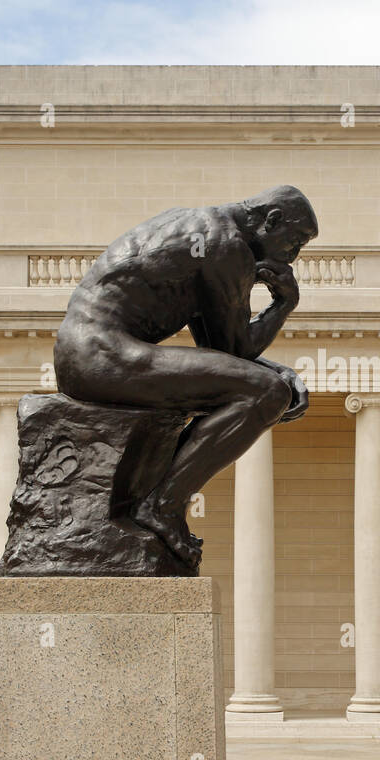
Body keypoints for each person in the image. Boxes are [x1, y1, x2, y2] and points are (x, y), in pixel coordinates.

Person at [53, 184, 318, 565]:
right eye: (294, 243)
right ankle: (162, 505)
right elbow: (237, 352)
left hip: (86, 352)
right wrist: (284, 304)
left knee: (266, 385)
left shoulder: (197, 225)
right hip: (102, 355)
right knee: (266, 394)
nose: (292, 257)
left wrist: (279, 370)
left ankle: (154, 501)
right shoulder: (226, 245)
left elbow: (221, 352)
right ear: (271, 221)